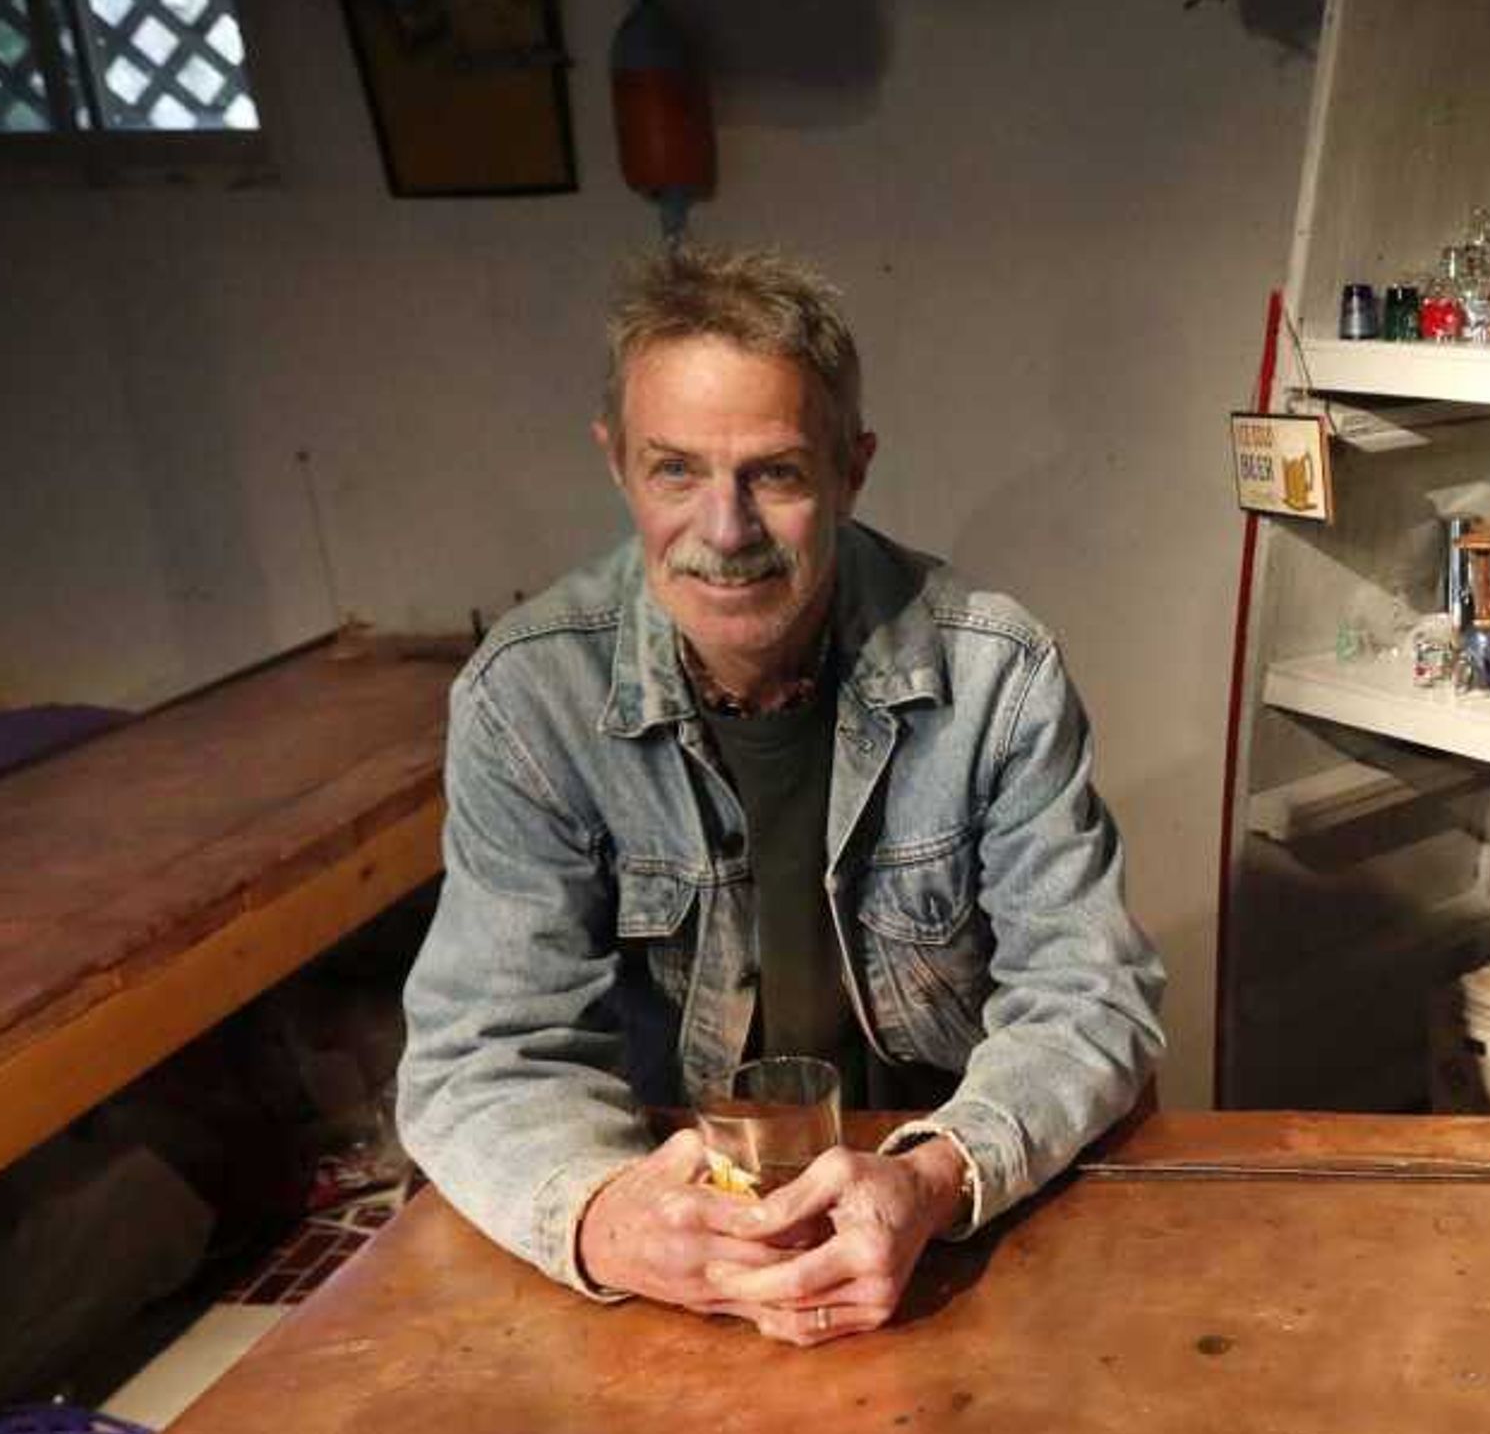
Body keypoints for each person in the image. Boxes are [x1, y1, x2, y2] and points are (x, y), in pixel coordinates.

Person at [399, 242, 1167, 1342]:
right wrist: (613, 1217)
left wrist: (935, 1177)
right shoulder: (532, 697)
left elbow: (1091, 992)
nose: (725, 530)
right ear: (617, 464)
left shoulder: (997, 671)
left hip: (950, 1221)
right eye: (676, 472)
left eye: (776, 473)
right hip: (682, 1242)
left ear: (853, 469)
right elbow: (481, 1050)